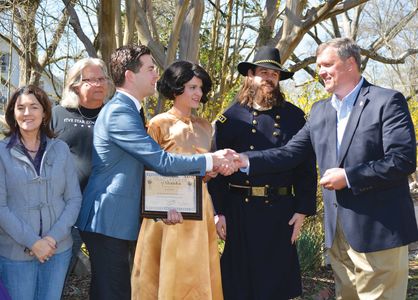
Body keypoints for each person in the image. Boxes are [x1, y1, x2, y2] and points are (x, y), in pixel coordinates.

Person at [238, 38, 418, 299]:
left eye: (327, 64)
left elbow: (402, 159)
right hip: (338, 236)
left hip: (379, 233)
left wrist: (348, 176)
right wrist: (244, 160)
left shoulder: (387, 101)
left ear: (351, 63)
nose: (320, 71)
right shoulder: (320, 111)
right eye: (318, 65)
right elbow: (290, 153)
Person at [75, 45, 237, 300]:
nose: (155, 75)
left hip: (119, 220)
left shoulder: (132, 111)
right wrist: (211, 160)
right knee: (112, 294)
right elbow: (160, 161)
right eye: (150, 69)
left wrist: (165, 207)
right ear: (130, 75)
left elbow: (147, 170)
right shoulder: (120, 111)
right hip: (109, 219)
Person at [208, 47, 317, 300]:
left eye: (274, 75)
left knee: (275, 283)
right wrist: (218, 212)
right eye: (263, 72)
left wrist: (302, 210)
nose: (269, 78)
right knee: (239, 284)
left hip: (280, 211)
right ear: (250, 76)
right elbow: (217, 171)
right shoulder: (230, 118)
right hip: (239, 210)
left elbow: (306, 167)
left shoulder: (294, 117)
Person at [131, 60, 223, 299]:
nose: (198, 93)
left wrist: (211, 172)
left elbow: (205, 168)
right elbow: (147, 171)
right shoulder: (158, 124)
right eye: (192, 87)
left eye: (201, 88)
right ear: (176, 88)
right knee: (166, 274)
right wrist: (159, 210)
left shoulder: (206, 126)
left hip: (200, 210)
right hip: (166, 211)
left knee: (196, 273)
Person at [0, 85, 82, 300]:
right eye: (21, 108)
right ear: (13, 113)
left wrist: (51, 239)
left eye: (34, 107)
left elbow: (73, 198)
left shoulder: (61, 149)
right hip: (16, 253)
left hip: (58, 250)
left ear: (45, 112)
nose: (27, 113)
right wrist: (33, 242)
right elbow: (0, 208)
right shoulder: (1, 153)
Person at [51, 57, 113, 280]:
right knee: (58, 273)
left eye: (102, 79)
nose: (99, 84)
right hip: (64, 210)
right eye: (91, 80)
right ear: (75, 84)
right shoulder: (57, 114)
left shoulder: (114, 116)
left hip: (102, 210)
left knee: (107, 277)